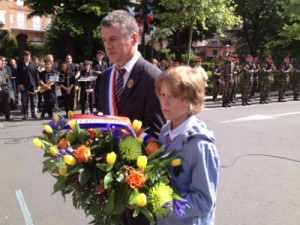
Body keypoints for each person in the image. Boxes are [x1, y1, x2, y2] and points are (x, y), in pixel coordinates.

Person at [97, 10, 166, 225]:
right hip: (109, 181)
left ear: (134, 38)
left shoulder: (152, 77)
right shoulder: (105, 78)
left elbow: (156, 138)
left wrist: (133, 182)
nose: (108, 46)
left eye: (114, 39)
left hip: (137, 186)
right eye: (105, 40)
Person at [155, 66, 219, 225]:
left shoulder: (200, 145)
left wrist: (162, 204)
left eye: (173, 95)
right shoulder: (165, 131)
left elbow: (203, 200)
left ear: (191, 99)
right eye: (162, 94)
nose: (165, 101)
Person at [17, 50, 39, 119]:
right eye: (26, 56)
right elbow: (18, 76)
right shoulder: (20, 65)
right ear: (24, 57)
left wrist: (38, 85)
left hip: (32, 85)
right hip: (24, 85)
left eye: (28, 56)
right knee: (25, 101)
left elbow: (36, 76)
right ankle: (25, 113)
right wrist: (20, 84)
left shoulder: (33, 65)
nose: (27, 57)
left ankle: (33, 113)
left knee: (33, 101)